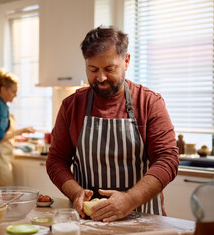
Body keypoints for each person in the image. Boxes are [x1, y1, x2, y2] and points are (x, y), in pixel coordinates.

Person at [46, 26, 179, 222]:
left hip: (144, 219)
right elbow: (56, 160)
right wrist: (75, 193)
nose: (100, 78)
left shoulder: (149, 102)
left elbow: (168, 159)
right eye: (93, 69)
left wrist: (130, 199)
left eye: (109, 69)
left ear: (126, 61)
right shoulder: (71, 106)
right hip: (88, 221)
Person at [0, 68, 35, 187]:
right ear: (3, 89)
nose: (15, 95)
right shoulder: (1, 107)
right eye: (13, 91)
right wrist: (23, 130)